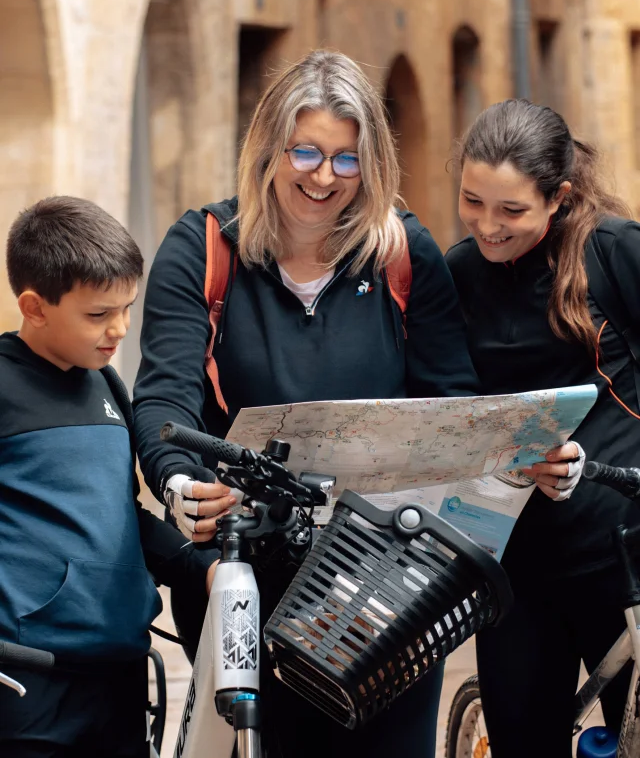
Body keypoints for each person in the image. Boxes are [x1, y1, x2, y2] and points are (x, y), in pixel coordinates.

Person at [133, 49, 481, 758]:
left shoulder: (403, 254)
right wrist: (178, 482)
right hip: (247, 577)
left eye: (347, 160)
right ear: (269, 147)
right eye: (307, 152)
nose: (324, 177)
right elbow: (165, 392)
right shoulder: (202, 248)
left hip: (386, 583)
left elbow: (454, 408)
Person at [446, 98, 640, 758]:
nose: (488, 227)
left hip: (622, 555)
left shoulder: (612, 252)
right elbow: (443, 401)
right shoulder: (459, 272)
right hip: (513, 567)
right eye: (473, 202)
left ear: (557, 198)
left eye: (511, 211)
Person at [0, 196, 217, 758]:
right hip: (28, 679)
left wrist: (206, 568)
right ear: (34, 306)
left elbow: (123, 520)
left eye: (127, 309)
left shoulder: (107, 387)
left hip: (121, 672)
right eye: (98, 315)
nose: (120, 329)